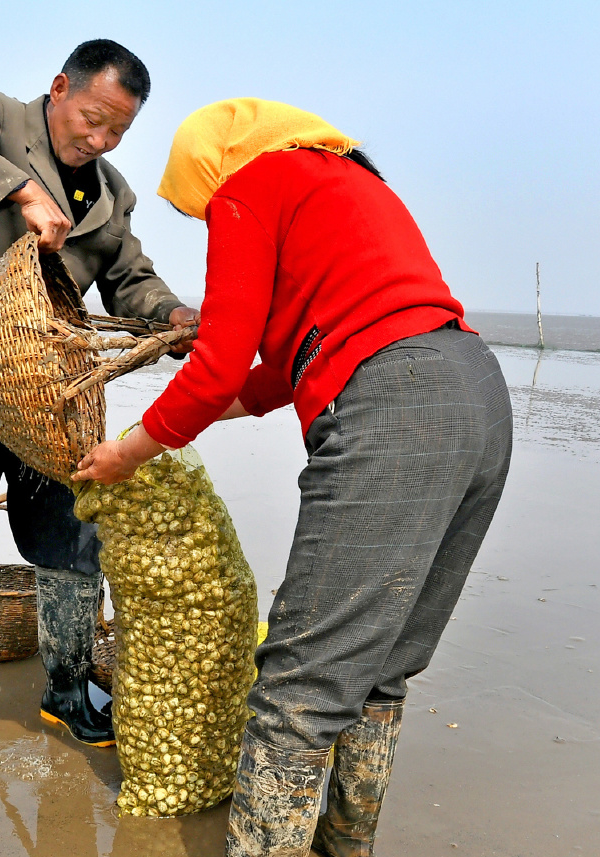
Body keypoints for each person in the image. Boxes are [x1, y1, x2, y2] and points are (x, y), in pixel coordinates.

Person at [73, 99, 513, 856]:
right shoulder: (340, 181)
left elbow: (216, 367)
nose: (211, 219)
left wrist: (131, 451)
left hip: (395, 409)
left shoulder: (252, 182)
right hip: (475, 396)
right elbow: (278, 371)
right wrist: (191, 421)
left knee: (297, 688)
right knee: (378, 674)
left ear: (212, 164)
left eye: (202, 208)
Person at [0, 38, 200, 748]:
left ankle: (66, 690)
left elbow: (129, 277)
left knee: (73, 548)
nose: (100, 138)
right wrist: (21, 191)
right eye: (92, 117)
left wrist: (172, 315)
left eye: (118, 130)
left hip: (49, 401)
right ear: (60, 88)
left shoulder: (112, 195)